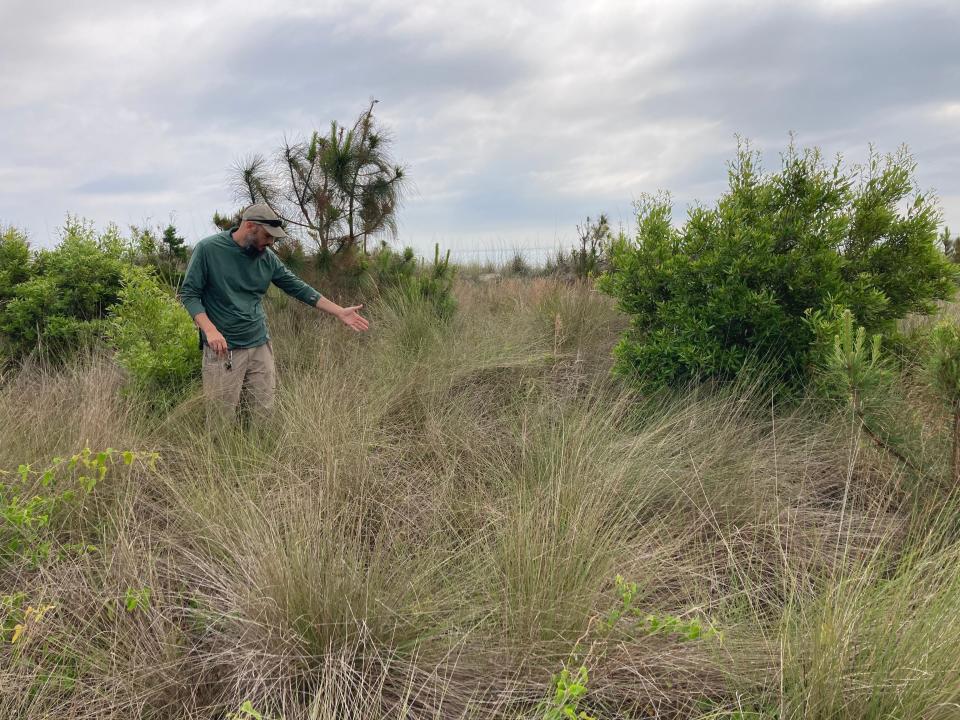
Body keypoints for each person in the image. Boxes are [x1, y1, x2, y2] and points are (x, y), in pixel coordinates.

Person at [179, 203, 369, 428]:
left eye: (274, 239)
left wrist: (339, 311)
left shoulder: (266, 257)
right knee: (220, 419)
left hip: (259, 344)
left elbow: (297, 287)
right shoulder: (208, 250)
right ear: (249, 226)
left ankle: (259, 460)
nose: (271, 243)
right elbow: (189, 295)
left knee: (263, 413)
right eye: (267, 236)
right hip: (223, 348)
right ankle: (219, 462)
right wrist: (210, 330)